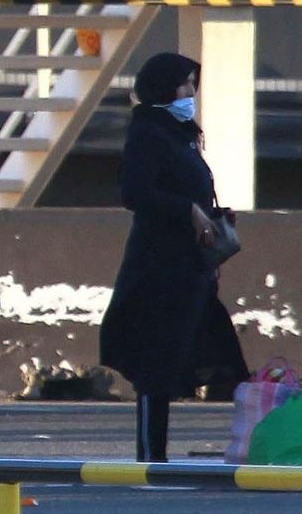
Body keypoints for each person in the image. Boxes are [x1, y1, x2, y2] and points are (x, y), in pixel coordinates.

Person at [100, 52, 247, 463]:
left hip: (190, 269)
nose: (190, 94)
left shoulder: (180, 134)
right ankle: (151, 459)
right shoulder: (149, 132)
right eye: (184, 86)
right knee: (156, 363)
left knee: (217, 356)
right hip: (159, 269)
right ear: (164, 88)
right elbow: (136, 192)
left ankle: (245, 445)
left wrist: (211, 215)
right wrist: (189, 210)